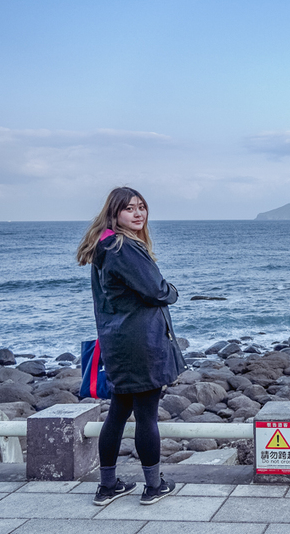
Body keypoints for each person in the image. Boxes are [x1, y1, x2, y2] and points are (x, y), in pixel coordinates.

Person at [76, 187, 187, 506]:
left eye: (142, 207)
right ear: (115, 213)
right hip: (141, 343)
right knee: (146, 415)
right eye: (129, 209)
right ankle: (153, 486)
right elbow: (156, 289)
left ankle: (107, 485)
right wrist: (172, 292)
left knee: (119, 412)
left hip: (118, 342)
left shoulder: (104, 243)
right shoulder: (123, 246)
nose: (138, 213)